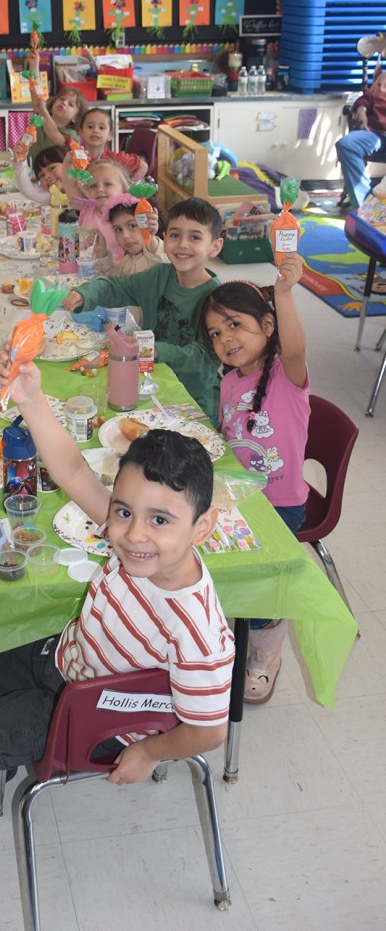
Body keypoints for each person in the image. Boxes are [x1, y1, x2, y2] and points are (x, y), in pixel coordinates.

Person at [0, 356, 234, 804]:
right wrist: (30, 402)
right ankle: (2, 740)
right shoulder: (136, 544)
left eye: (161, 520)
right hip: (69, 658)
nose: (133, 534)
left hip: (93, 713)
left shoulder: (198, 631)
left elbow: (209, 730)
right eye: (123, 511)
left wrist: (148, 752)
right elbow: (71, 471)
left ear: (202, 528)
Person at [202, 255, 309, 703]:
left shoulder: (287, 373)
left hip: (282, 505)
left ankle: (266, 654)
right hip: (239, 499)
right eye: (215, 333)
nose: (225, 338)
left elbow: (296, 346)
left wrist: (282, 293)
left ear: (267, 326)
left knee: (263, 588)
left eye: (234, 325)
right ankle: (221, 631)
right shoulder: (229, 381)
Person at [63, 197, 224, 424]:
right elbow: (117, 287)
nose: (182, 244)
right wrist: (85, 293)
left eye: (195, 237)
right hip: (148, 385)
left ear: (215, 247)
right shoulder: (159, 275)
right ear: (164, 238)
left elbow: (205, 358)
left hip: (192, 400)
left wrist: (157, 351)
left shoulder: (217, 298)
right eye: (175, 235)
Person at [60, 107, 148, 203]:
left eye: (101, 128)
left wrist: (128, 187)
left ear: (110, 135)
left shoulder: (115, 159)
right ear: (80, 132)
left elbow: (143, 166)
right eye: (90, 126)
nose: (95, 131)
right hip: (82, 208)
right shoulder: (75, 158)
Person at [335, 67, 386, 209]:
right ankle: (365, 206)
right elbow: (368, 97)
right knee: (346, 144)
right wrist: (362, 108)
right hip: (376, 132)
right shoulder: (383, 77)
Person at [94, 194, 167, 278]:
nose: (125, 236)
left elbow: (158, 257)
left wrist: (150, 236)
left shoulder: (155, 257)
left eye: (132, 226)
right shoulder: (127, 260)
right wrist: (102, 251)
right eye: (118, 229)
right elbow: (113, 278)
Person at [73, 159, 132, 259]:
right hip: (91, 267)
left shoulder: (129, 216)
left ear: (124, 189)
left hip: (121, 269)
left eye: (107, 184)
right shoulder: (87, 211)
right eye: (93, 186)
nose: (99, 189)